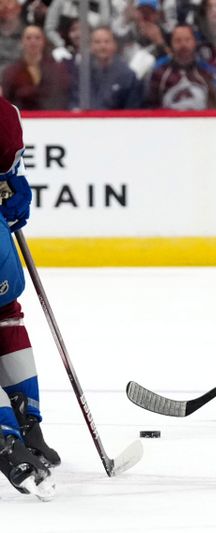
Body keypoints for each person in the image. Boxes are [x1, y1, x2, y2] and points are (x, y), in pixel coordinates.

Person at [0, 95, 58, 501]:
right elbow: (12, 179)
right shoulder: (6, 113)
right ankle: (29, 424)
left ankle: (8, 446)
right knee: (5, 314)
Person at [145, 24, 216, 109]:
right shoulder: (159, 74)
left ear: (194, 42)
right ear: (171, 44)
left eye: (187, 40)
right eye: (178, 41)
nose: (183, 45)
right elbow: (152, 109)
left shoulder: (207, 72)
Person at [1, 25, 72, 110]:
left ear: (43, 41)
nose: (33, 41)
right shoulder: (11, 71)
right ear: (22, 42)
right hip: (22, 116)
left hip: (51, 117)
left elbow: (60, 96)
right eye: (28, 38)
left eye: (37, 38)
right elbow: (7, 99)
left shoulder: (56, 69)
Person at [71, 26, 142, 109]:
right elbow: (74, 102)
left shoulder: (127, 75)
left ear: (114, 45)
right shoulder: (80, 73)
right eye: (97, 42)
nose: (102, 46)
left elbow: (132, 109)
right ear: (90, 46)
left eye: (107, 42)